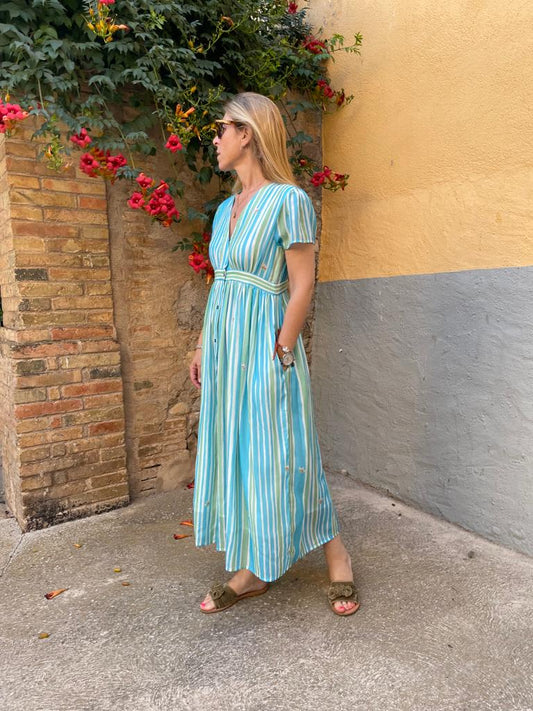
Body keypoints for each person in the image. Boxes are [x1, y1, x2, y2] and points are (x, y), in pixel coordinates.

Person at [189, 92, 359, 617]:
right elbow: (220, 284)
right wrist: (202, 345)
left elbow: (302, 285)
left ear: (247, 133)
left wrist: (283, 349)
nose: (215, 139)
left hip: (266, 346)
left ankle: (337, 558)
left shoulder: (289, 200)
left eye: (221, 129)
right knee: (241, 451)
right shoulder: (225, 210)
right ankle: (254, 570)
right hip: (225, 349)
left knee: (286, 450)